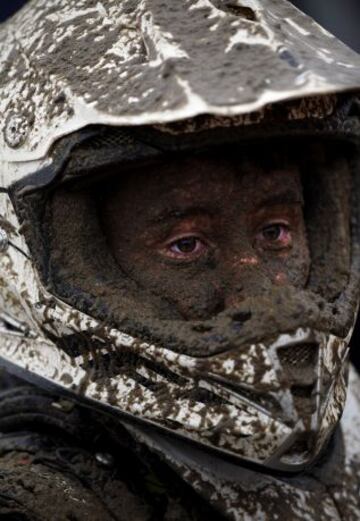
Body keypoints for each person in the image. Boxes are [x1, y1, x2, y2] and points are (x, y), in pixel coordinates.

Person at [0, 0, 360, 519]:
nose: (266, 300)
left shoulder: (344, 400)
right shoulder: (42, 497)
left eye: (275, 231)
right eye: (186, 245)